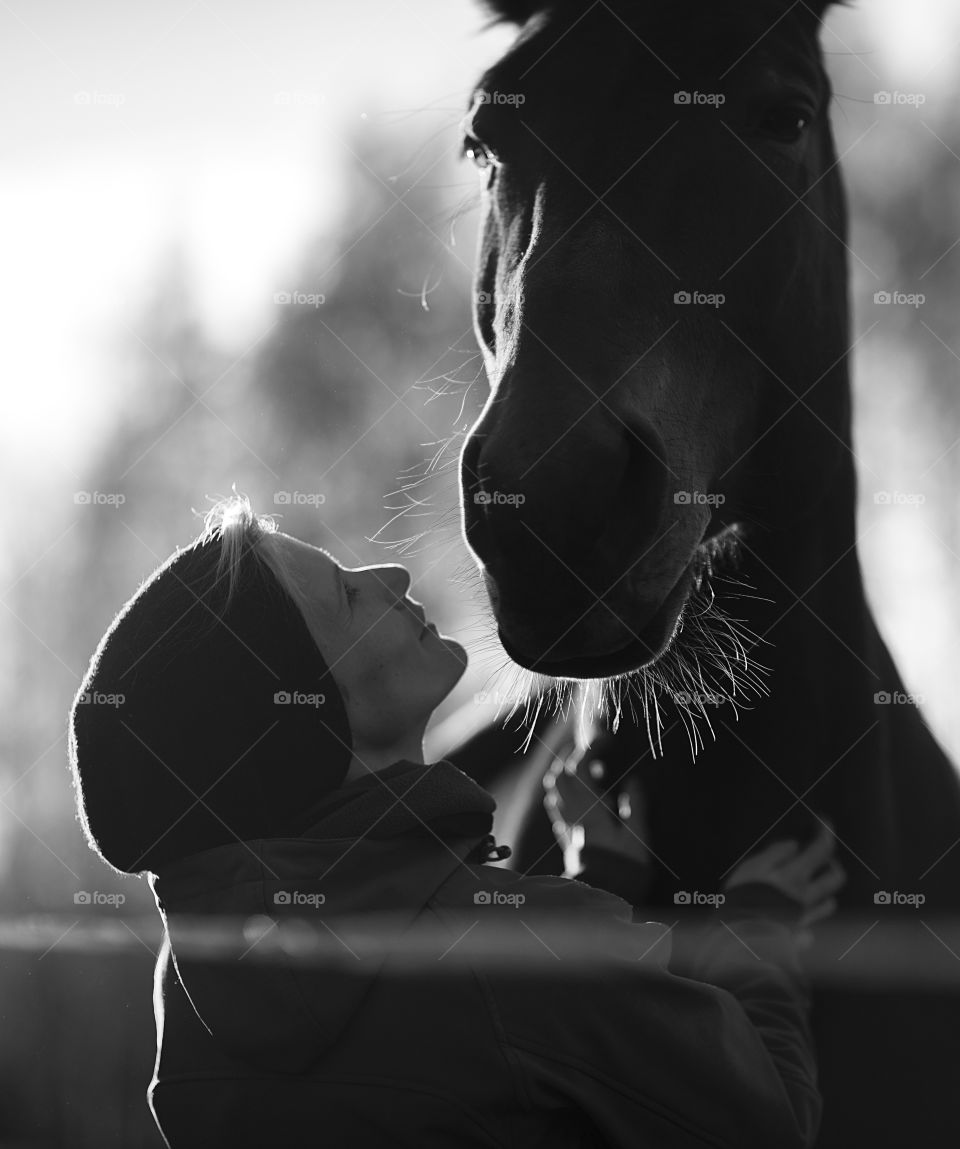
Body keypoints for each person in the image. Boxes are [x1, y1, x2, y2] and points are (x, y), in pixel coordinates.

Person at [68, 493, 846, 1149]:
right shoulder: (519, 965)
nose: (392, 575)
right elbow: (767, 1120)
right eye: (345, 593)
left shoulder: (195, 990)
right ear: (303, 720)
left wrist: (594, 888)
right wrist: (759, 933)